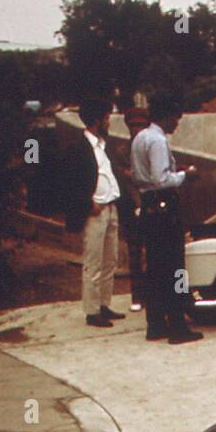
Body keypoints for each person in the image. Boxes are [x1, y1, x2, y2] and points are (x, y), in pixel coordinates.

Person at [130, 93, 202, 345]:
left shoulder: (140, 137)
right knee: (175, 268)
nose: (177, 124)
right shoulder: (158, 141)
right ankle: (178, 326)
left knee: (156, 268)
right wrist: (186, 175)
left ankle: (156, 323)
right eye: (176, 119)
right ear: (168, 117)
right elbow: (161, 179)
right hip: (164, 206)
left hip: (148, 206)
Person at [64, 96, 124, 328]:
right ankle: (91, 310)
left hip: (110, 206)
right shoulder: (78, 148)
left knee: (111, 259)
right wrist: (88, 204)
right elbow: (70, 182)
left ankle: (104, 304)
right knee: (93, 262)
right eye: (107, 118)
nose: (110, 123)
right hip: (95, 210)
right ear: (97, 121)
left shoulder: (102, 147)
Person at [114, 105, 150, 312]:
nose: (137, 129)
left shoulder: (152, 146)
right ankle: (137, 296)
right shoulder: (122, 151)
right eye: (133, 125)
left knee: (154, 253)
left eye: (141, 125)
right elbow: (126, 179)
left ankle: (154, 294)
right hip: (132, 208)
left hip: (152, 205)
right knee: (135, 253)